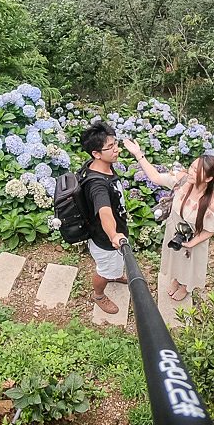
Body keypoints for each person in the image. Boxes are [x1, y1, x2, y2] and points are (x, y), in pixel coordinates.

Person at [123, 138, 214, 302]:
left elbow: (209, 230)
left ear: (208, 179)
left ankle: (185, 286)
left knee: (189, 264)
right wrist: (139, 154)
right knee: (175, 258)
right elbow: (156, 177)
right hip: (174, 231)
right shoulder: (183, 180)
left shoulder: (212, 205)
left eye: (196, 171)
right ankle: (176, 279)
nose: (191, 172)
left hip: (194, 239)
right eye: (192, 167)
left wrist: (192, 243)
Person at [79, 122, 129, 314]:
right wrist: (113, 235)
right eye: (110, 147)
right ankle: (99, 295)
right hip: (106, 240)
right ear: (96, 154)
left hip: (113, 234)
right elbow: (105, 212)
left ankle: (115, 275)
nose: (116, 149)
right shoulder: (97, 185)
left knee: (114, 266)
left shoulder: (102, 166)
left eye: (115, 143)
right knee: (104, 270)